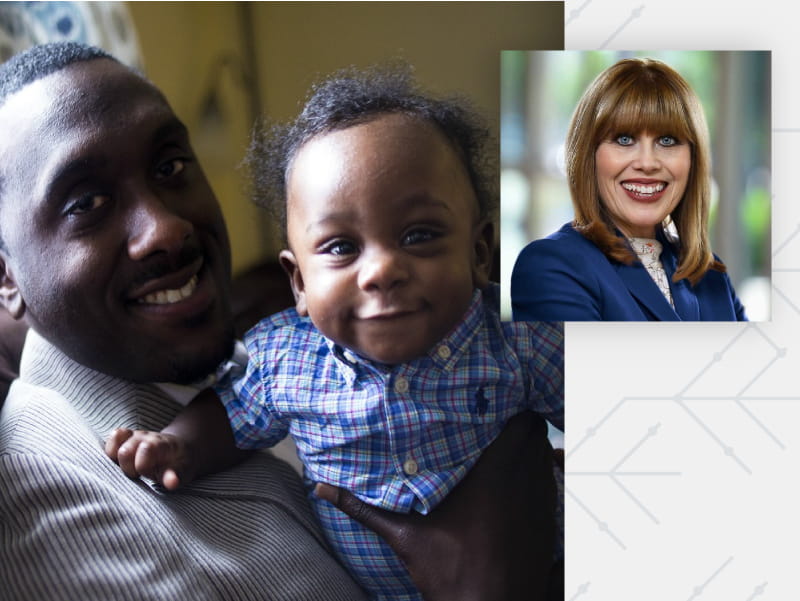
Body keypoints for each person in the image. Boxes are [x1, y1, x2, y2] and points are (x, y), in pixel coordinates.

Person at [0, 42, 558, 601]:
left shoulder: (261, 356)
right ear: (6, 278)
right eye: (86, 203)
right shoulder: (42, 493)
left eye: (170, 166)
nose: (167, 229)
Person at [511, 57, 748, 322]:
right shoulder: (551, 266)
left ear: (693, 159)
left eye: (667, 140)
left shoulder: (711, 276)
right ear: (589, 156)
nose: (647, 163)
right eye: (624, 139)